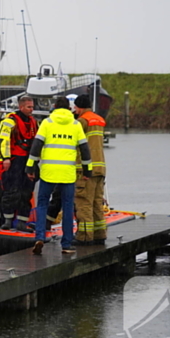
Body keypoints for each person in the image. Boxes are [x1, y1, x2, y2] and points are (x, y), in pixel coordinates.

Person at [26, 96, 91, 255]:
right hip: (67, 174)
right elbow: (85, 150)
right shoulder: (76, 125)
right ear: (69, 108)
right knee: (68, 207)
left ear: (54, 107)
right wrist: (87, 170)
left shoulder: (47, 123)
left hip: (49, 172)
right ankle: (67, 244)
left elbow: (36, 147)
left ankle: (40, 237)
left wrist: (30, 167)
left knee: (42, 204)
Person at [0, 95, 38, 232]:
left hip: (29, 160)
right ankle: (7, 221)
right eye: (29, 107)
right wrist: (6, 158)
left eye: (32, 107)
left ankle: (22, 222)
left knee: (26, 192)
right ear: (21, 107)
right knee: (11, 191)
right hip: (15, 160)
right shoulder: (10, 121)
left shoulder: (33, 122)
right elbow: (3, 140)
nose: (32, 109)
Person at [72, 94, 107, 245]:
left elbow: (76, 144)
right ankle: (99, 234)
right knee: (97, 203)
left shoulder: (81, 122)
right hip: (100, 167)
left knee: (83, 203)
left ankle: (85, 236)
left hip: (85, 169)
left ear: (78, 107)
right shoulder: (98, 120)